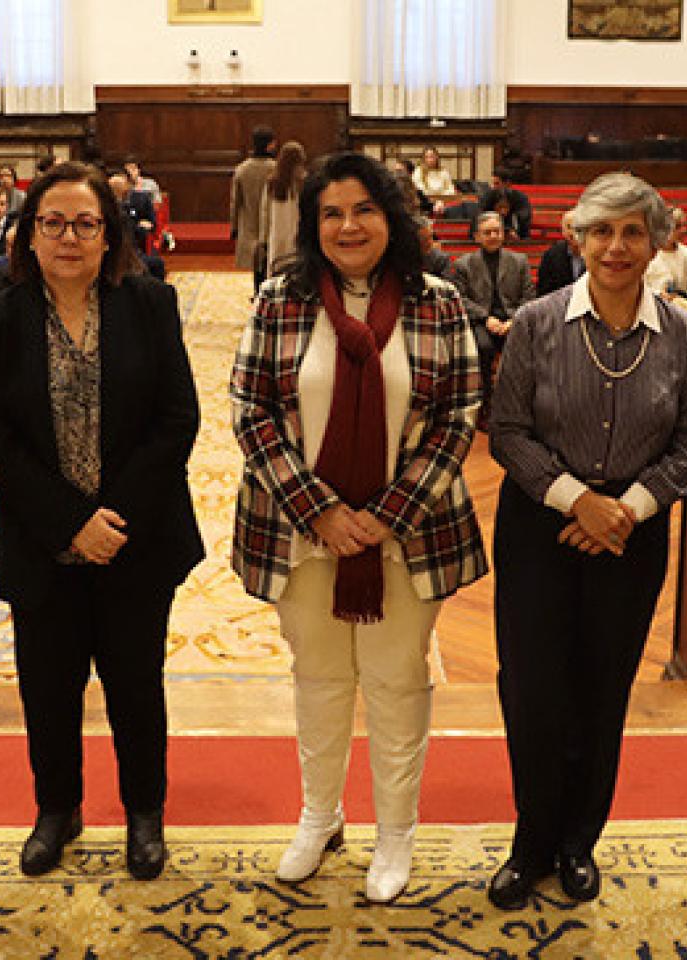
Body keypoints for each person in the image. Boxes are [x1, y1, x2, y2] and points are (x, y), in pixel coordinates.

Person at [230, 152, 486, 904]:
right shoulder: (282, 299)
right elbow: (250, 410)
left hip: (407, 535)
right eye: (331, 213)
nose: (348, 226)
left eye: (364, 210)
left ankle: (396, 833)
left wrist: (382, 518)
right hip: (299, 532)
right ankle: (320, 816)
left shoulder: (437, 301)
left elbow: (458, 416)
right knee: (319, 677)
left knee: (397, 680)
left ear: (392, 217)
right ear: (314, 226)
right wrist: (323, 513)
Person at [485, 172, 687, 911]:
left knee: (601, 691)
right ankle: (532, 842)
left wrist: (627, 509)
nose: (617, 247)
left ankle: (580, 842)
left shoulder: (684, 331)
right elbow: (507, 431)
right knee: (533, 691)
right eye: (602, 231)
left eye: (633, 232)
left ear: (658, 242)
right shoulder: (536, 322)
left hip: (632, 539)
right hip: (540, 531)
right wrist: (578, 501)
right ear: (577, 237)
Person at [0, 161, 204, 883]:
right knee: (47, 687)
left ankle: (144, 814)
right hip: (43, 544)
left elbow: (177, 420)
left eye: (85, 223)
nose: (69, 236)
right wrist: (71, 524)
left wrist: (112, 520)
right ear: (29, 234)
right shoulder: (0, 317)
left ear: (109, 235)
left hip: (136, 541)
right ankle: (56, 810)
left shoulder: (150, 304)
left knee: (137, 685)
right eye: (53, 222)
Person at [448, 211, 536, 362]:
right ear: (477, 237)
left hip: (513, 318)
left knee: (524, 344)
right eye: (487, 233)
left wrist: (513, 320)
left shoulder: (520, 261)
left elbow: (529, 296)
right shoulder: (463, 264)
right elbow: (461, 299)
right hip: (481, 320)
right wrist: (485, 318)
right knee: (483, 347)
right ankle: (486, 385)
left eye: (497, 231)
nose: (493, 236)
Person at [231, 126, 278, 291]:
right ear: (269, 145)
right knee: (269, 262)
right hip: (273, 222)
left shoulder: (242, 169)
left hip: (250, 223)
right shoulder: (276, 169)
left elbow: (235, 202)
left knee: (256, 264)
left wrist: (234, 226)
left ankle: (258, 292)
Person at [258, 140, 306, 280]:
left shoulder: (272, 183)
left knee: (277, 270)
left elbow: (264, 212)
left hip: (277, 234)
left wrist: (263, 238)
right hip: (298, 234)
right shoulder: (304, 182)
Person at [645, 205, 687, 299]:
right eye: (678, 226)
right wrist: (658, 293)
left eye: (684, 225)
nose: (684, 230)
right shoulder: (647, 255)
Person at [535, 210, 585, 296]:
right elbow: (543, 291)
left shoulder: (596, 253)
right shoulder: (551, 255)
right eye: (569, 227)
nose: (574, 232)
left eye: (578, 228)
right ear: (563, 231)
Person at [480, 172, 532, 239]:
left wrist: (512, 226)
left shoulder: (520, 197)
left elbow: (524, 215)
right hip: (491, 231)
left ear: (507, 183)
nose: (494, 187)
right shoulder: (487, 196)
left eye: (497, 183)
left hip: (516, 233)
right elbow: (480, 213)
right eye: (493, 184)